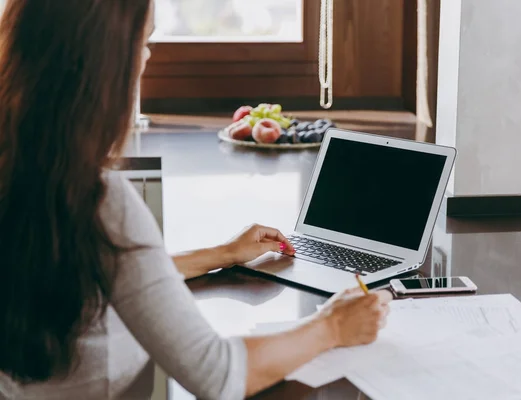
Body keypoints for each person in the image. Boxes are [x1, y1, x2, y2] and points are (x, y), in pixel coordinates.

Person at [0, 1, 392, 399]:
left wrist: (221, 253)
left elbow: (110, 277)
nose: (148, 57)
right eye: (144, 41)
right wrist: (332, 326)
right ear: (105, 62)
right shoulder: (100, 202)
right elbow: (217, 374)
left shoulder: (24, 170)